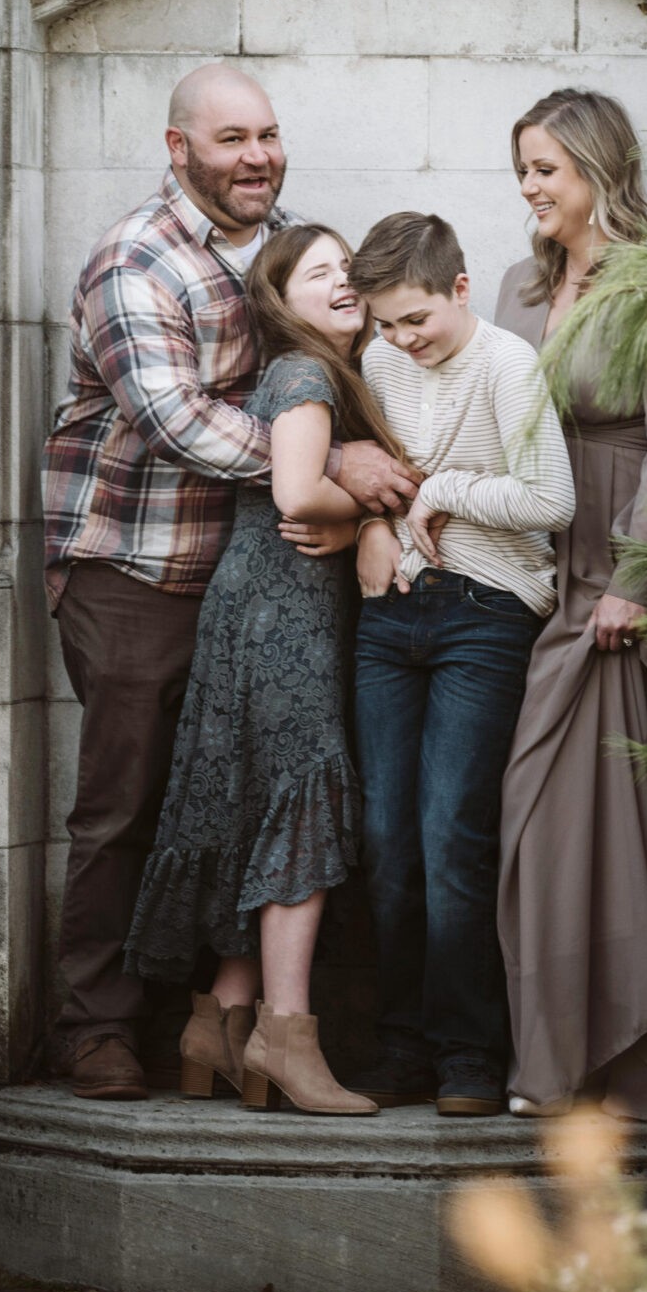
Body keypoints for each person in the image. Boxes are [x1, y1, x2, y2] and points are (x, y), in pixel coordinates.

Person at [41, 65, 419, 1100]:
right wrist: (331, 471)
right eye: (230, 140)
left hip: (266, 578)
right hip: (141, 565)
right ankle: (97, 1027)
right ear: (180, 150)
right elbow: (171, 419)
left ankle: (218, 1020)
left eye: (268, 134)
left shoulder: (298, 244)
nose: (257, 156)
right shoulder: (135, 259)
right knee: (126, 805)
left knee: (235, 801)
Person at [124, 225, 392, 1116]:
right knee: (303, 801)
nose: (344, 281)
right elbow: (294, 494)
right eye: (321, 273)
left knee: (258, 805)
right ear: (282, 300)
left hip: (259, 607)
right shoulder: (305, 373)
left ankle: (218, 1022)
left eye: (348, 268)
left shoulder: (312, 371)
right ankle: (286, 1033)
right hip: (286, 614)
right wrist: (369, 516)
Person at [494, 88, 647, 1120]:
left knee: (605, 828)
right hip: (530, 572)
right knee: (533, 822)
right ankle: (553, 1054)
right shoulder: (515, 290)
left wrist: (635, 581)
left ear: (594, 172)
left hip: (615, 587)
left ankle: (623, 1066)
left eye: (544, 169)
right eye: (522, 169)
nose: (528, 187)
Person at [346, 213, 576, 1117]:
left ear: (460, 290)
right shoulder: (376, 363)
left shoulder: (506, 365)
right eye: (385, 324)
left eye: (416, 320)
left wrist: (443, 490)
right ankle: (400, 1044)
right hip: (389, 612)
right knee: (385, 840)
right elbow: (380, 479)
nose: (401, 339)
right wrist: (377, 521)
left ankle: (467, 1055)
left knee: (451, 837)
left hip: (486, 612)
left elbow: (550, 501)